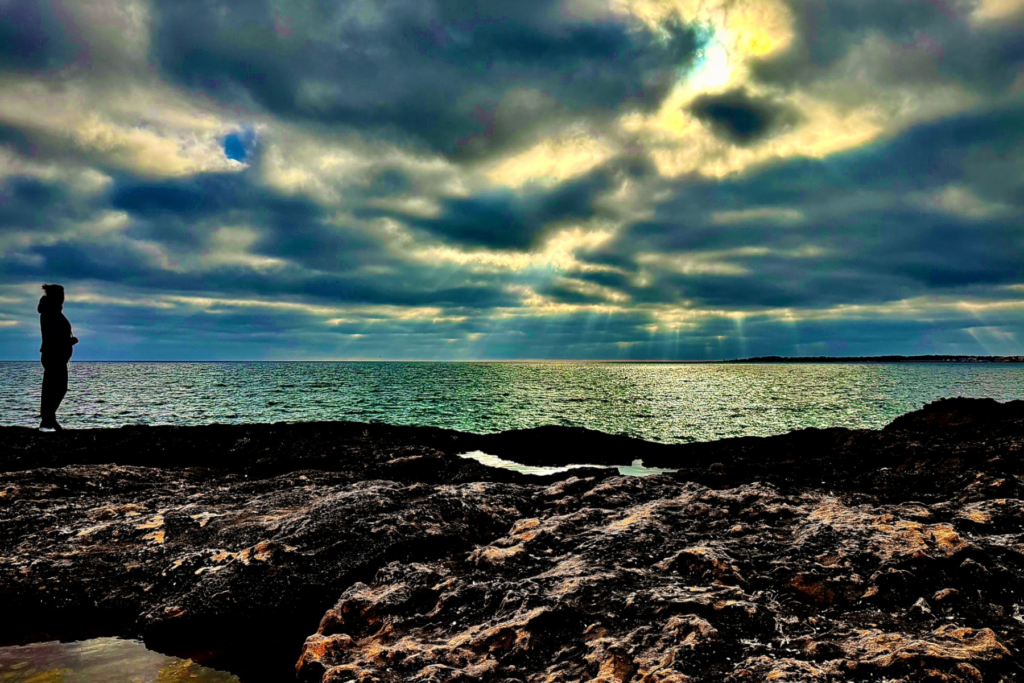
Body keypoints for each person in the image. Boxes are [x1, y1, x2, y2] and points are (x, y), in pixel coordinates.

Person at [38, 284, 78, 431]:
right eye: (61, 295)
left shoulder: (52, 311)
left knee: (53, 388)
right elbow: (55, 336)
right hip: (54, 355)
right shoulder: (51, 312)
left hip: (55, 355)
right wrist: (70, 341)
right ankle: (48, 420)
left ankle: (49, 420)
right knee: (58, 387)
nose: (63, 298)